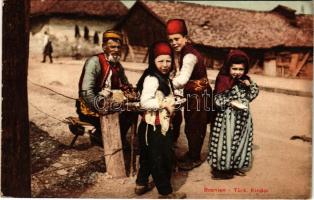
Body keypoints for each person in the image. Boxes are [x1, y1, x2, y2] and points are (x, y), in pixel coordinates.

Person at [135, 41, 186, 199]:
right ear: (153, 61)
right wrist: (164, 103)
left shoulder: (163, 77)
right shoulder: (152, 79)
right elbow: (144, 102)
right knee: (160, 159)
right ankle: (165, 192)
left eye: (168, 61)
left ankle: (141, 184)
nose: (165, 64)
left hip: (153, 125)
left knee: (147, 156)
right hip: (154, 127)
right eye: (160, 61)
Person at [166, 19, 213, 170]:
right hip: (192, 93)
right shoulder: (182, 52)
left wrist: (163, 84)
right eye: (171, 40)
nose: (173, 43)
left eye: (177, 39)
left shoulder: (189, 56)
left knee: (195, 126)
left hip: (199, 94)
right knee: (191, 125)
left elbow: (183, 79)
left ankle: (195, 157)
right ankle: (192, 153)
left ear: (185, 37)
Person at [76, 30, 137, 146]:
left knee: (131, 112)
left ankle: (120, 138)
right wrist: (99, 103)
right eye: (112, 47)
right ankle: (99, 134)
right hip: (89, 106)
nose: (116, 50)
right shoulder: (94, 62)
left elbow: (125, 85)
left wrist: (131, 93)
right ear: (104, 47)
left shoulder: (118, 65)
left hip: (111, 102)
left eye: (119, 47)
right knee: (115, 112)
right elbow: (86, 92)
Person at [207, 50, 259, 179]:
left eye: (241, 69)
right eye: (234, 68)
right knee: (225, 144)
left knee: (241, 142)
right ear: (228, 67)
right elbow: (217, 100)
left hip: (243, 119)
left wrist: (251, 85)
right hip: (227, 119)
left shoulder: (245, 80)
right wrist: (230, 102)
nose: (237, 72)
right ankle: (221, 171)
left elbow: (252, 95)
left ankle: (235, 166)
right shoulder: (223, 80)